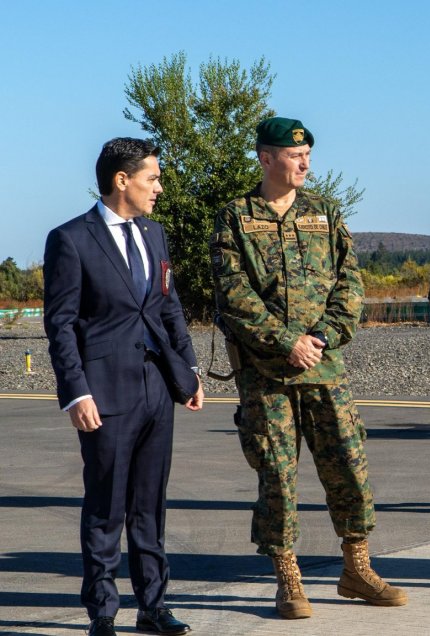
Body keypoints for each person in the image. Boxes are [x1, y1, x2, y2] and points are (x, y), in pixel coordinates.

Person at [211, 117, 407, 619]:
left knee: (349, 468)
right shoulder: (236, 216)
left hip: (324, 368)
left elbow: (350, 283)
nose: (304, 163)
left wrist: (320, 337)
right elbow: (234, 295)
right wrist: (285, 342)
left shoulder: (325, 212)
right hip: (267, 375)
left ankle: (356, 569)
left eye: (308, 156)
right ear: (265, 158)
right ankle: (288, 580)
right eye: (294, 155)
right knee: (277, 477)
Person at [44, 137, 203, 636]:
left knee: (150, 503)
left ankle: (153, 606)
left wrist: (189, 371)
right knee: (106, 505)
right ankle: (103, 612)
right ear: (121, 180)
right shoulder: (71, 239)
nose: (159, 187)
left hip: (158, 387)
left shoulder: (154, 235)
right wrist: (77, 392)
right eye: (152, 178)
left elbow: (168, 307)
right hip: (104, 393)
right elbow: (62, 324)